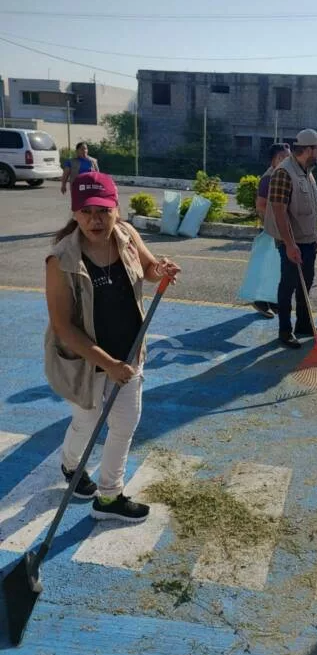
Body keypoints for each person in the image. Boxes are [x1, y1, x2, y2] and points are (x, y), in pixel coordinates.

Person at [45, 172, 180, 523]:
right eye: (87, 211)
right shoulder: (61, 259)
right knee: (87, 421)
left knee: (124, 423)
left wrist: (161, 269)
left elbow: (148, 269)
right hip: (84, 360)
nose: (96, 220)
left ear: (116, 210)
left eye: (104, 211)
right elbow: (63, 326)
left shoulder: (126, 236)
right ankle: (71, 465)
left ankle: (109, 496)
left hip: (129, 353)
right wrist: (108, 364)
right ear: (75, 214)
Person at [263, 128, 317, 349]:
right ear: (308, 149)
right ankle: (285, 330)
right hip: (291, 242)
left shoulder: (306, 170)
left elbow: (311, 207)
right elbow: (279, 211)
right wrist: (290, 245)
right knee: (288, 285)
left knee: (305, 283)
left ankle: (304, 325)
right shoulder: (284, 172)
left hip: (308, 240)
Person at [251, 142, 291, 318]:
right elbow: (260, 205)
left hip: (279, 229)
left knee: (278, 268)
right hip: (271, 230)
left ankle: (273, 300)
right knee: (267, 267)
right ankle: (260, 301)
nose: (287, 160)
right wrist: (277, 214)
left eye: (289, 157)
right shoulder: (269, 178)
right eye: (283, 157)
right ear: (275, 159)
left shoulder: (281, 174)